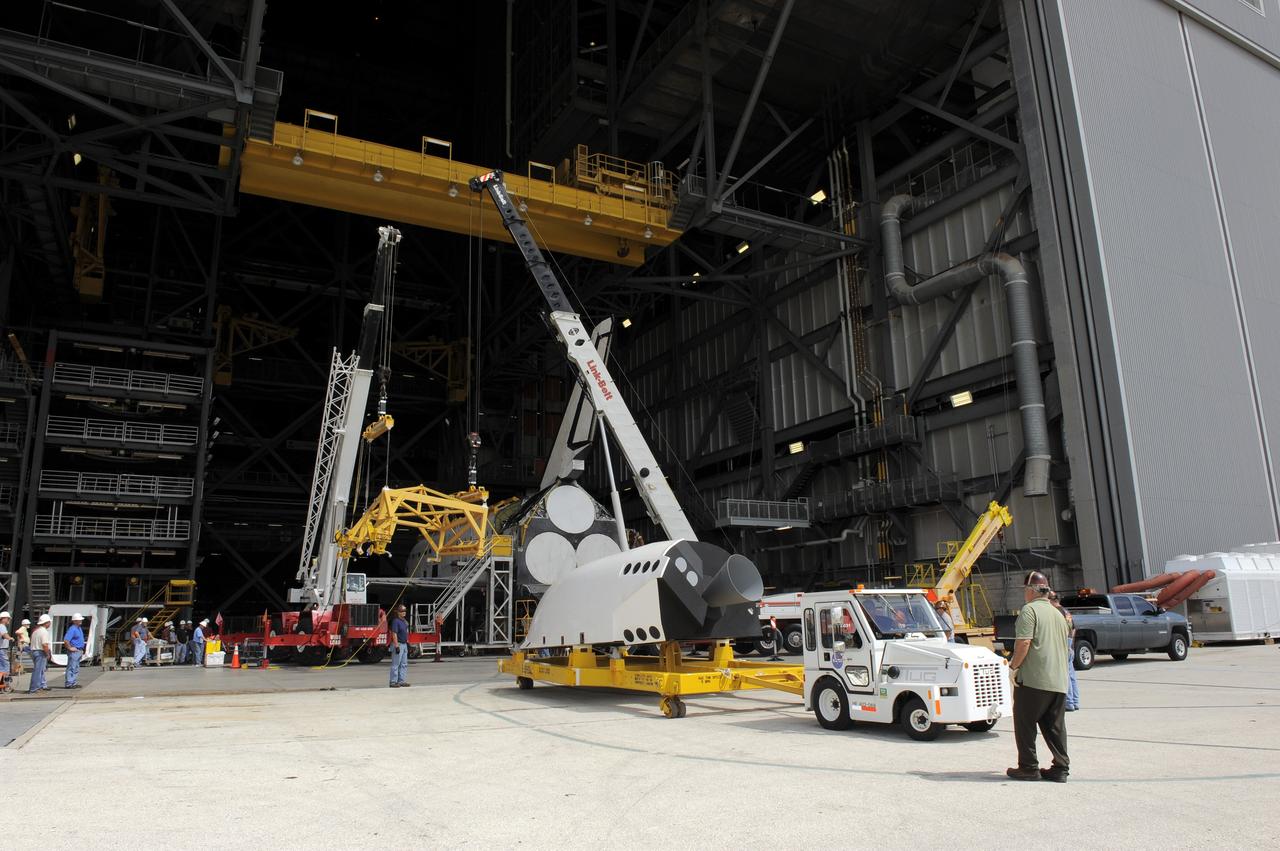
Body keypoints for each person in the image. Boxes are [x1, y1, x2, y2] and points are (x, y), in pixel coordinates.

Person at [1007, 571, 1071, 783]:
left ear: (1030, 590)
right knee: (1054, 726)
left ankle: (1028, 767)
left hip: (1034, 680)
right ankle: (1061, 767)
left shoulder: (1029, 611)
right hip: (1059, 681)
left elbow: (1024, 642)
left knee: (1025, 723)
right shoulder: (1058, 613)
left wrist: (1013, 667)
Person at [1049, 593, 1080, 711]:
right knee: (1071, 674)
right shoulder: (1066, 612)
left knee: (1064, 674)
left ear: (1052, 600)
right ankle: (1075, 701)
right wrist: (1071, 643)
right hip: (1069, 641)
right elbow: (1074, 628)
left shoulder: (1056, 612)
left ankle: (1068, 703)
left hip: (1062, 642)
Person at [28, 613, 52, 693]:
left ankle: (41, 685)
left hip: (34, 651)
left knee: (40, 670)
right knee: (38, 671)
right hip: (40, 652)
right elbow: (44, 644)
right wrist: (48, 653)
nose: (50, 624)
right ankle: (34, 688)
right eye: (49, 622)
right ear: (47, 623)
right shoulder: (44, 632)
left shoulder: (36, 631)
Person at [388, 604, 410, 688]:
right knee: (396, 664)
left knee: (404, 664)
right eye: (401, 611)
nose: (403, 612)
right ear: (398, 612)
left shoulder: (404, 621)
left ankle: (401, 681)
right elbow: (394, 634)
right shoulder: (396, 621)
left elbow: (406, 632)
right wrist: (396, 646)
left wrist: (408, 642)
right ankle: (393, 682)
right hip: (399, 644)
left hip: (404, 644)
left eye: (404, 611)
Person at [63, 612, 87, 689]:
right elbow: (66, 640)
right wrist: (70, 648)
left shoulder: (78, 628)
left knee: (75, 667)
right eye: (79, 620)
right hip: (74, 651)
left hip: (78, 650)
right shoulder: (72, 629)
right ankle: (69, 683)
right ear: (74, 621)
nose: (81, 621)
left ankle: (73, 682)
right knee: (72, 667)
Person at [0, 611, 11, 680]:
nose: (8, 620)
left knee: (1, 667)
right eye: (8, 618)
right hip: (2, 649)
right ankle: (6, 682)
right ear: (3, 619)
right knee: (6, 665)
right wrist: (10, 638)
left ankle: (1, 683)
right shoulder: (2, 626)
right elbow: (4, 634)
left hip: (1, 649)